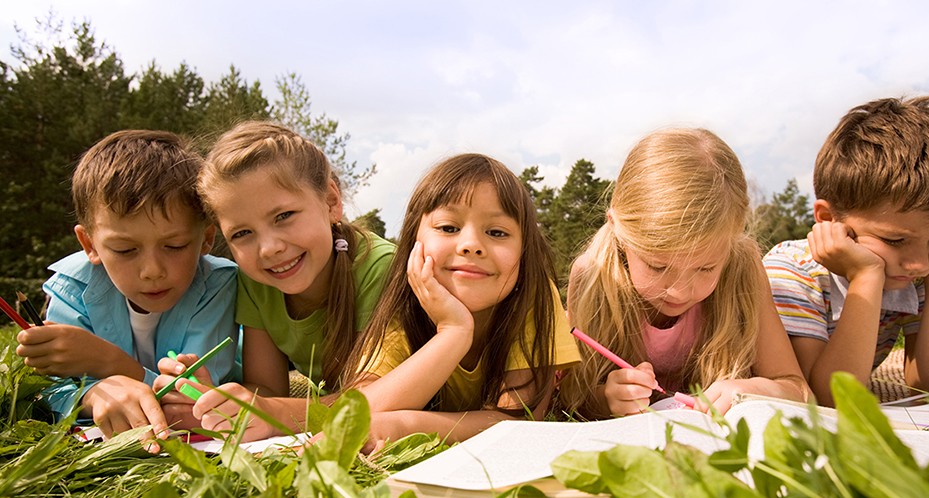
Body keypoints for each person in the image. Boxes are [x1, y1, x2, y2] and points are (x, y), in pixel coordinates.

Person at [166, 121, 395, 441]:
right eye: (242, 234)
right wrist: (215, 402)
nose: (269, 248)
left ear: (331, 201)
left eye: (283, 216)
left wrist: (273, 415)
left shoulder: (381, 268)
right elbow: (268, 388)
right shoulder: (256, 281)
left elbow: (377, 398)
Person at [558, 128, 810, 419]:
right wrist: (606, 399)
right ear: (617, 230)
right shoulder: (592, 275)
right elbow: (573, 394)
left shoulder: (743, 267)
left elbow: (799, 390)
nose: (678, 291)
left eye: (705, 268)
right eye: (658, 266)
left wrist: (758, 389)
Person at [16, 130, 240, 447]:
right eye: (124, 250)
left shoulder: (218, 284)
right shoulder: (72, 287)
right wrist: (92, 395)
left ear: (205, 239)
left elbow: (191, 396)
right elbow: (48, 389)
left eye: (174, 246)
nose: (152, 271)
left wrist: (110, 364)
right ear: (89, 245)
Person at [344, 153, 580, 449]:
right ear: (413, 242)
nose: (471, 245)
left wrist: (406, 425)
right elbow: (357, 415)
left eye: (496, 232)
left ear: (524, 253)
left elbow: (518, 419)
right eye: (448, 228)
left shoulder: (534, 298)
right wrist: (454, 332)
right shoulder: (404, 308)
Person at [764, 96, 929, 406]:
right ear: (830, 220)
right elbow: (824, 398)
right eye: (894, 241)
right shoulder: (792, 271)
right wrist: (866, 277)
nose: (918, 263)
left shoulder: (924, 269)